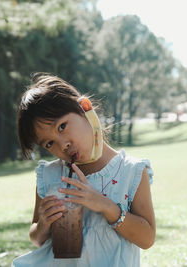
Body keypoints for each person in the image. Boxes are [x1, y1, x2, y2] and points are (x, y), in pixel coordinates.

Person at [12, 73, 156, 267]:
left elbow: (146, 239)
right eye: (49, 143)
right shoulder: (50, 176)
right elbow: (37, 239)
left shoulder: (131, 172)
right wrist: (43, 226)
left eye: (62, 126)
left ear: (85, 108)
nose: (62, 145)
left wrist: (106, 206)